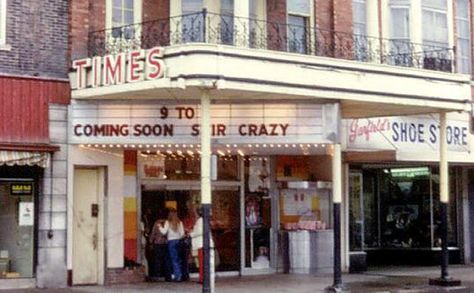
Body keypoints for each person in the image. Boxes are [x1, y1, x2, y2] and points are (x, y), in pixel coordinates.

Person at [189, 208, 215, 285]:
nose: (194, 215)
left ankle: (202, 278)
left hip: (201, 244)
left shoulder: (200, 220)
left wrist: (191, 234)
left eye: (195, 213)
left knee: (202, 263)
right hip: (203, 244)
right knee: (203, 262)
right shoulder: (204, 220)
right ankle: (203, 277)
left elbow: (200, 231)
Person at [159, 208, 185, 282]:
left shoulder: (168, 222)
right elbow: (182, 234)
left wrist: (160, 227)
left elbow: (164, 232)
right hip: (178, 241)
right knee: (178, 259)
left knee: (173, 259)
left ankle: (177, 276)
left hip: (171, 242)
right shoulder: (180, 222)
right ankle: (180, 274)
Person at [149, 215, 171, 281]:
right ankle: (167, 276)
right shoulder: (168, 222)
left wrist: (150, 241)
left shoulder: (157, 222)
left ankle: (157, 275)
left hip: (157, 243)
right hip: (166, 243)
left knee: (157, 260)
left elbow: (153, 232)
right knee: (166, 260)